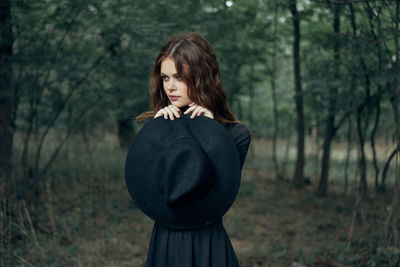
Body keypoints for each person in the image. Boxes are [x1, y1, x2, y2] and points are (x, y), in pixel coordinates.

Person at [131, 32, 251, 267]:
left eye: (179, 77)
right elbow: (154, 193)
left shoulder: (236, 135)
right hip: (165, 243)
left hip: (208, 244)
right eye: (165, 78)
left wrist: (210, 133)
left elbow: (215, 198)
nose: (170, 87)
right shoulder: (154, 127)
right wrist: (159, 130)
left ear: (201, 76)